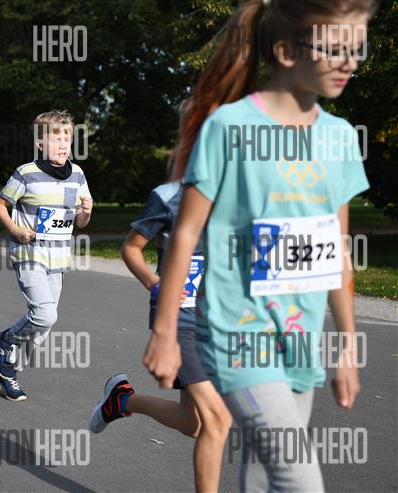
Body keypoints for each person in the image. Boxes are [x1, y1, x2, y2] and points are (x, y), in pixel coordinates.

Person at [143, 0, 375, 491]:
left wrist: (347, 347)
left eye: (359, 49)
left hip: (300, 339)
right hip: (237, 336)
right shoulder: (228, 128)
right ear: (287, 51)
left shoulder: (339, 139)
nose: (351, 62)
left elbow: (337, 250)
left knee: (263, 474)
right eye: (337, 48)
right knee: (299, 479)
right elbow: (184, 233)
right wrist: (164, 332)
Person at [89, 176, 231, 493]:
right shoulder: (168, 197)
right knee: (217, 419)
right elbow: (131, 248)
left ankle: (121, 400)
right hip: (180, 321)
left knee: (193, 424)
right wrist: (156, 285)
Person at [0, 109, 92, 401]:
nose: (63, 144)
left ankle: (8, 372)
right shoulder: (26, 173)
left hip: (58, 259)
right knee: (45, 315)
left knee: (44, 327)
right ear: (40, 143)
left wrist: (86, 211)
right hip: (29, 253)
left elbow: (79, 222)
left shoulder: (78, 174)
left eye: (67, 139)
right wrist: (15, 229)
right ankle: (8, 341)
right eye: (56, 138)